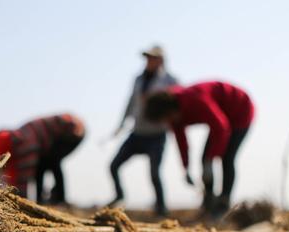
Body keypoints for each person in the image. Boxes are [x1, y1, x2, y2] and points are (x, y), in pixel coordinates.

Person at [144, 81, 254, 217]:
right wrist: (186, 167)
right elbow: (181, 141)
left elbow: (221, 127)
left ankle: (223, 205)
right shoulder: (174, 118)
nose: (166, 122)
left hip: (240, 108)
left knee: (226, 158)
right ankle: (209, 203)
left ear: (169, 110)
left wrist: (212, 158)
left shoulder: (195, 100)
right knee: (205, 158)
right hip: (220, 118)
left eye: (165, 118)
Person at [108, 45, 178, 216]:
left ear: (161, 60)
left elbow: (176, 106)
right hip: (137, 133)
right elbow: (131, 102)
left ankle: (161, 208)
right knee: (114, 165)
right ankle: (119, 195)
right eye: (147, 58)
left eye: (152, 58)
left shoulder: (170, 81)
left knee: (155, 173)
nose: (148, 61)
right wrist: (122, 124)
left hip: (157, 135)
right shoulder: (138, 79)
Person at [0, 114, 85, 204]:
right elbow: (16, 176)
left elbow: (23, 176)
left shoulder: (24, 147)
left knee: (51, 162)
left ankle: (59, 199)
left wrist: (21, 200)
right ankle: (43, 200)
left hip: (72, 128)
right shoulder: (10, 141)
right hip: (54, 132)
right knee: (43, 164)